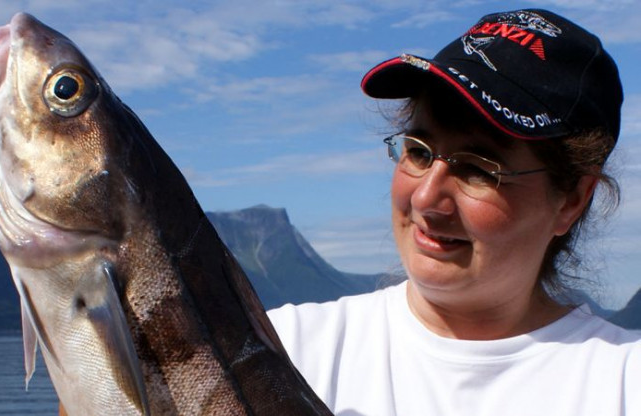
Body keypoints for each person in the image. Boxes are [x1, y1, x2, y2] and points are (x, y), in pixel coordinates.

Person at [268, 8, 641, 416]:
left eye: (478, 170)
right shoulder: (278, 353)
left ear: (571, 200)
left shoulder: (625, 383)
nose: (426, 198)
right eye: (418, 152)